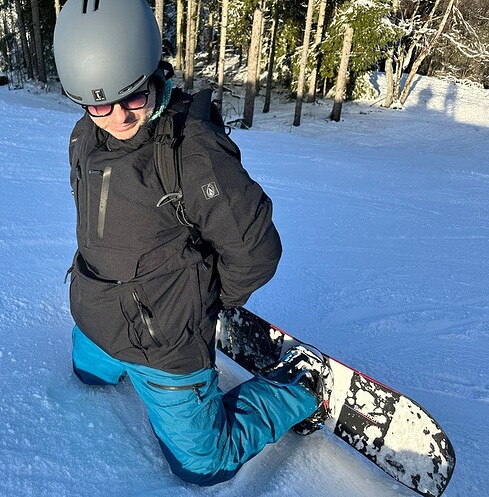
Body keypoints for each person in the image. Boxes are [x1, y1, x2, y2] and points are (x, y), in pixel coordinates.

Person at [53, 0, 331, 486]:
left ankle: (301, 386)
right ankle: (109, 351)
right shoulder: (84, 137)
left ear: (153, 72)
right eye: (99, 105)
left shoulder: (193, 152)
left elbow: (256, 252)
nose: (117, 117)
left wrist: (207, 301)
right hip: (98, 316)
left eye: (133, 97)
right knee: (87, 375)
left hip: (165, 345)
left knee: (204, 465)